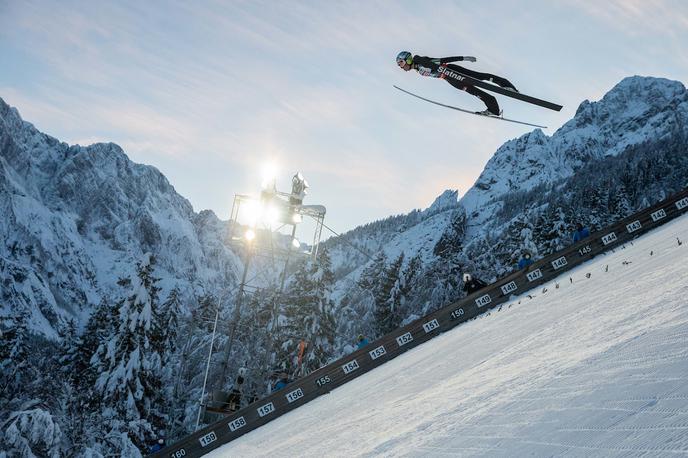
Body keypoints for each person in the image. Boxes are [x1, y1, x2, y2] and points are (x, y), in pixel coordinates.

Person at [396, 51, 518, 116]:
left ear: (408, 59)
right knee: (475, 92)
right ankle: (493, 110)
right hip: (450, 79)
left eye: (401, 63)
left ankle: (507, 86)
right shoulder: (418, 70)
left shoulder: (419, 60)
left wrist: (463, 58)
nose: (401, 67)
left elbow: (443, 60)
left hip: (452, 71)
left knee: (479, 77)